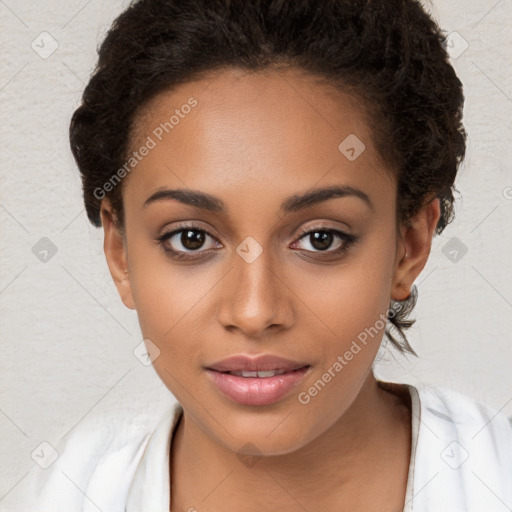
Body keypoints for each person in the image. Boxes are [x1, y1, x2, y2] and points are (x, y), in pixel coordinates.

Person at [21, 0, 512, 511]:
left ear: (409, 247)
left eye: (322, 238)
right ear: (120, 253)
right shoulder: (67, 493)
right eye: (190, 238)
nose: (254, 312)